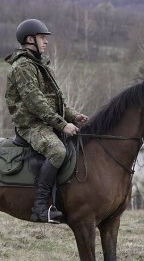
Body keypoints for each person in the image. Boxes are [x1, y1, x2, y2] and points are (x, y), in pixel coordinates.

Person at [5, 19, 88, 223]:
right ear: (29, 39)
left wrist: (73, 116)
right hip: (31, 125)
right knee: (57, 151)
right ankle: (41, 207)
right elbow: (36, 103)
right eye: (42, 37)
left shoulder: (41, 65)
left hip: (47, 122)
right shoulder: (22, 67)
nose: (46, 42)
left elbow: (56, 102)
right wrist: (63, 124)